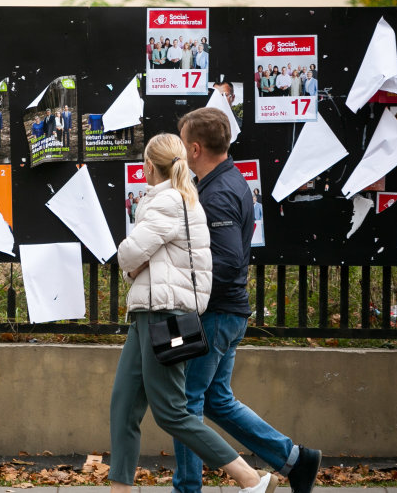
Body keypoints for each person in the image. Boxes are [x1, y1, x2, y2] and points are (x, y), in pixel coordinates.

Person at [110, 132, 274, 493]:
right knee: (123, 408)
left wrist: (135, 263)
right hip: (147, 315)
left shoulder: (167, 201)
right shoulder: (181, 198)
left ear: (149, 165)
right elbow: (139, 259)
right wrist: (137, 263)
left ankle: (250, 479)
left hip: (166, 316)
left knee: (172, 411)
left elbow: (127, 255)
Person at [174, 107, 322, 493]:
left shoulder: (219, 192)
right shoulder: (229, 181)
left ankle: (186, 488)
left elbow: (225, 261)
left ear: (193, 148)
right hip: (226, 313)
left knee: (185, 404)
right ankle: (295, 460)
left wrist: (188, 294)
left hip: (215, 313)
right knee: (216, 400)